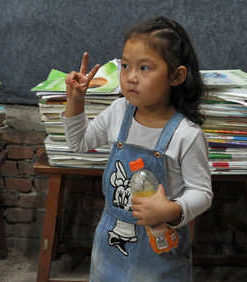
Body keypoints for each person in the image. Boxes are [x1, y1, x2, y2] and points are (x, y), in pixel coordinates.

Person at [63, 17, 213, 281]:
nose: (131, 77)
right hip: (110, 247)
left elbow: (201, 192)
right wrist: (76, 100)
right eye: (125, 66)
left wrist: (173, 210)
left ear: (176, 75)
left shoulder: (186, 134)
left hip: (160, 251)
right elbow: (79, 142)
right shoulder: (118, 111)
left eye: (144, 68)